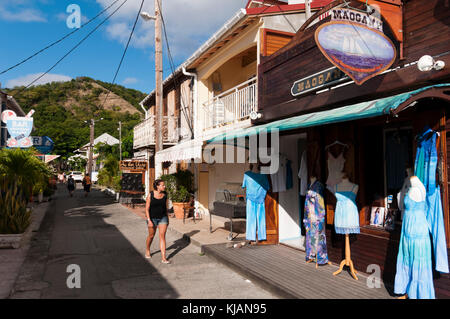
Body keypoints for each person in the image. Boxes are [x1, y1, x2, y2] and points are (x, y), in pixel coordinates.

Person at [145, 179, 170, 264]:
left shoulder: (165, 194)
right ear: (157, 186)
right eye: (162, 185)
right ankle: (148, 249)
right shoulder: (150, 195)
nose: (164, 186)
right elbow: (147, 209)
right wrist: (149, 220)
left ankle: (163, 258)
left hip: (163, 217)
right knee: (151, 236)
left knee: (162, 236)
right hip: (152, 218)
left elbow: (166, 207)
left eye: (164, 185)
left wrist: (167, 218)